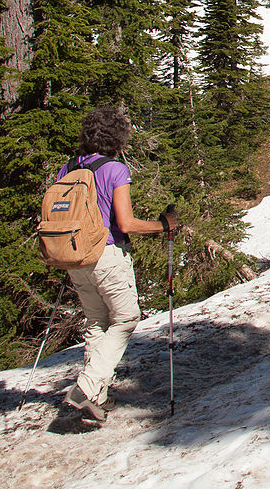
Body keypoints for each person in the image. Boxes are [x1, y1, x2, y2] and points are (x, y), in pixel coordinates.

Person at [61, 106, 176, 423]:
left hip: (75, 257)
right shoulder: (114, 169)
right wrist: (163, 226)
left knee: (97, 323)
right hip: (107, 254)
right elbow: (125, 223)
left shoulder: (67, 168)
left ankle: (96, 396)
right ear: (118, 136)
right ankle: (85, 387)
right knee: (126, 318)